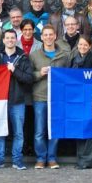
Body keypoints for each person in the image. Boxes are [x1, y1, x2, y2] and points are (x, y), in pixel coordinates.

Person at [0, 28, 33, 170]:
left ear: (16, 40)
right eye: (7, 38)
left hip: (17, 100)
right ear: (3, 40)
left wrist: (14, 71)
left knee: (18, 132)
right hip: (0, 100)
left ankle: (17, 160)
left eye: (12, 38)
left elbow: (28, 78)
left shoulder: (23, 57)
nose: (10, 40)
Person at [29, 25, 71, 169]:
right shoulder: (34, 55)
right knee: (39, 131)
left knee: (54, 130)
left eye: (50, 35)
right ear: (41, 37)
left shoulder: (64, 55)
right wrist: (39, 73)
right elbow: (29, 76)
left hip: (57, 98)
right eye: (45, 35)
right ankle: (41, 158)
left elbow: (69, 76)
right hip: (40, 97)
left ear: (55, 36)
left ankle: (52, 158)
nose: (48, 37)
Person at [69, 35, 92, 169]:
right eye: (80, 45)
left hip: (90, 99)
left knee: (90, 129)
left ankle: (88, 160)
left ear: (90, 46)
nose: (82, 47)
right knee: (80, 129)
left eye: (85, 45)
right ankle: (80, 158)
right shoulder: (74, 59)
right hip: (77, 99)